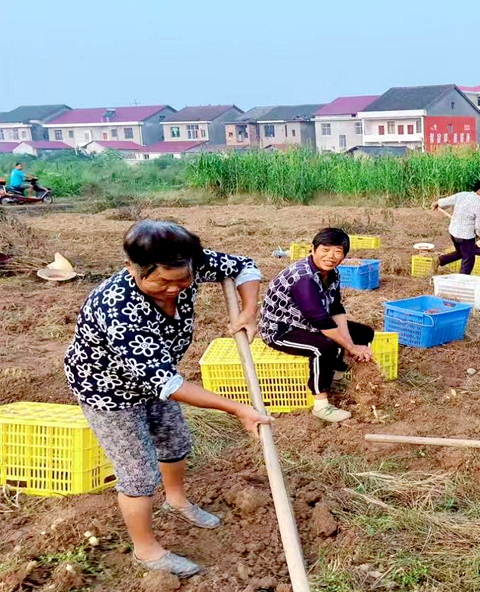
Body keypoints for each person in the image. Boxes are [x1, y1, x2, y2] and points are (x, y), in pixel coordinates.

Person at [64, 220, 270, 577]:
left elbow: (243, 267)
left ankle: (177, 501)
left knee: (175, 442)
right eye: (162, 281)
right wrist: (237, 408)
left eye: (183, 279)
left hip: (157, 377)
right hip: (108, 391)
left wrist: (249, 309)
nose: (175, 288)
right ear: (133, 268)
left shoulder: (186, 262)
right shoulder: (119, 308)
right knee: (139, 473)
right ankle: (146, 550)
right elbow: (167, 383)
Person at [259, 228, 375, 423]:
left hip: (307, 322)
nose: (331, 256)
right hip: (282, 330)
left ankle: (337, 376)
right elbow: (321, 321)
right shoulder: (303, 277)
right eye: (325, 249)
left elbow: (336, 308)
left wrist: (351, 343)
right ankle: (321, 405)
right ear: (312, 249)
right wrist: (351, 347)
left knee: (363, 332)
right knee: (324, 347)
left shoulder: (332, 272)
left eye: (338, 251)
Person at [430, 180, 480, 274]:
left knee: (461, 253)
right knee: (468, 259)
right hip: (466, 236)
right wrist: (478, 233)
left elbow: (447, 201)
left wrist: (437, 203)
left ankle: (440, 260)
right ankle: (462, 280)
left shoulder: (462, 195)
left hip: (453, 232)